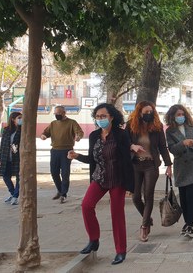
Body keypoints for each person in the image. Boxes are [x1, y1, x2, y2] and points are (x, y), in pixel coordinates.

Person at [68, 103, 134, 265]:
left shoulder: (121, 135)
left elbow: (127, 160)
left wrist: (130, 186)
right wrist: (77, 156)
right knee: (86, 206)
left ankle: (120, 251)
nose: (100, 119)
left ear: (111, 117)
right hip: (100, 177)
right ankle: (93, 240)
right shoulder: (94, 136)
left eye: (103, 116)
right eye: (97, 117)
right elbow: (92, 159)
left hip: (118, 179)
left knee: (116, 214)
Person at [126, 101, 173, 242]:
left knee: (148, 195)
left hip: (151, 165)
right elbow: (124, 142)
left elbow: (163, 147)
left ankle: (144, 226)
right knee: (135, 198)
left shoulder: (157, 127)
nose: (148, 114)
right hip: (135, 165)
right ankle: (147, 218)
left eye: (151, 112)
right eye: (146, 112)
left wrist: (169, 165)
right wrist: (132, 146)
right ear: (139, 113)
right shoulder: (131, 126)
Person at [164, 104, 193, 237]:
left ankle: (189, 224)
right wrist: (183, 143)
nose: (181, 117)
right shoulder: (170, 131)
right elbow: (172, 149)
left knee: (191, 195)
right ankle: (186, 222)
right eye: (178, 115)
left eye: (182, 114)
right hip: (181, 167)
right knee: (183, 196)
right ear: (172, 116)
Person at [40, 105, 84, 203]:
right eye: (55, 113)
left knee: (65, 173)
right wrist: (43, 136)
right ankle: (60, 190)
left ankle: (64, 194)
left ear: (64, 113)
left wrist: (78, 137)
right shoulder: (53, 123)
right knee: (54, 172)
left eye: (58, 113)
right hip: (55, 150)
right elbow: (45, 133)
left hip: (67, 151)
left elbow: (79, 132)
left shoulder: (72, 123)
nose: (56, 115)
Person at [0, 112, 22, 205]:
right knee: (5, 176)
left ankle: (16, 196)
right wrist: (0, 157)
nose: (21, 119)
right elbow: (2, 144)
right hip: (6, 156)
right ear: (13, 119)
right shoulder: (6, 130)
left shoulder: (23, 130)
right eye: (19, 118)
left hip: (18, 157)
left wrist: (20, 127)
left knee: (19, 177)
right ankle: (12, 193)